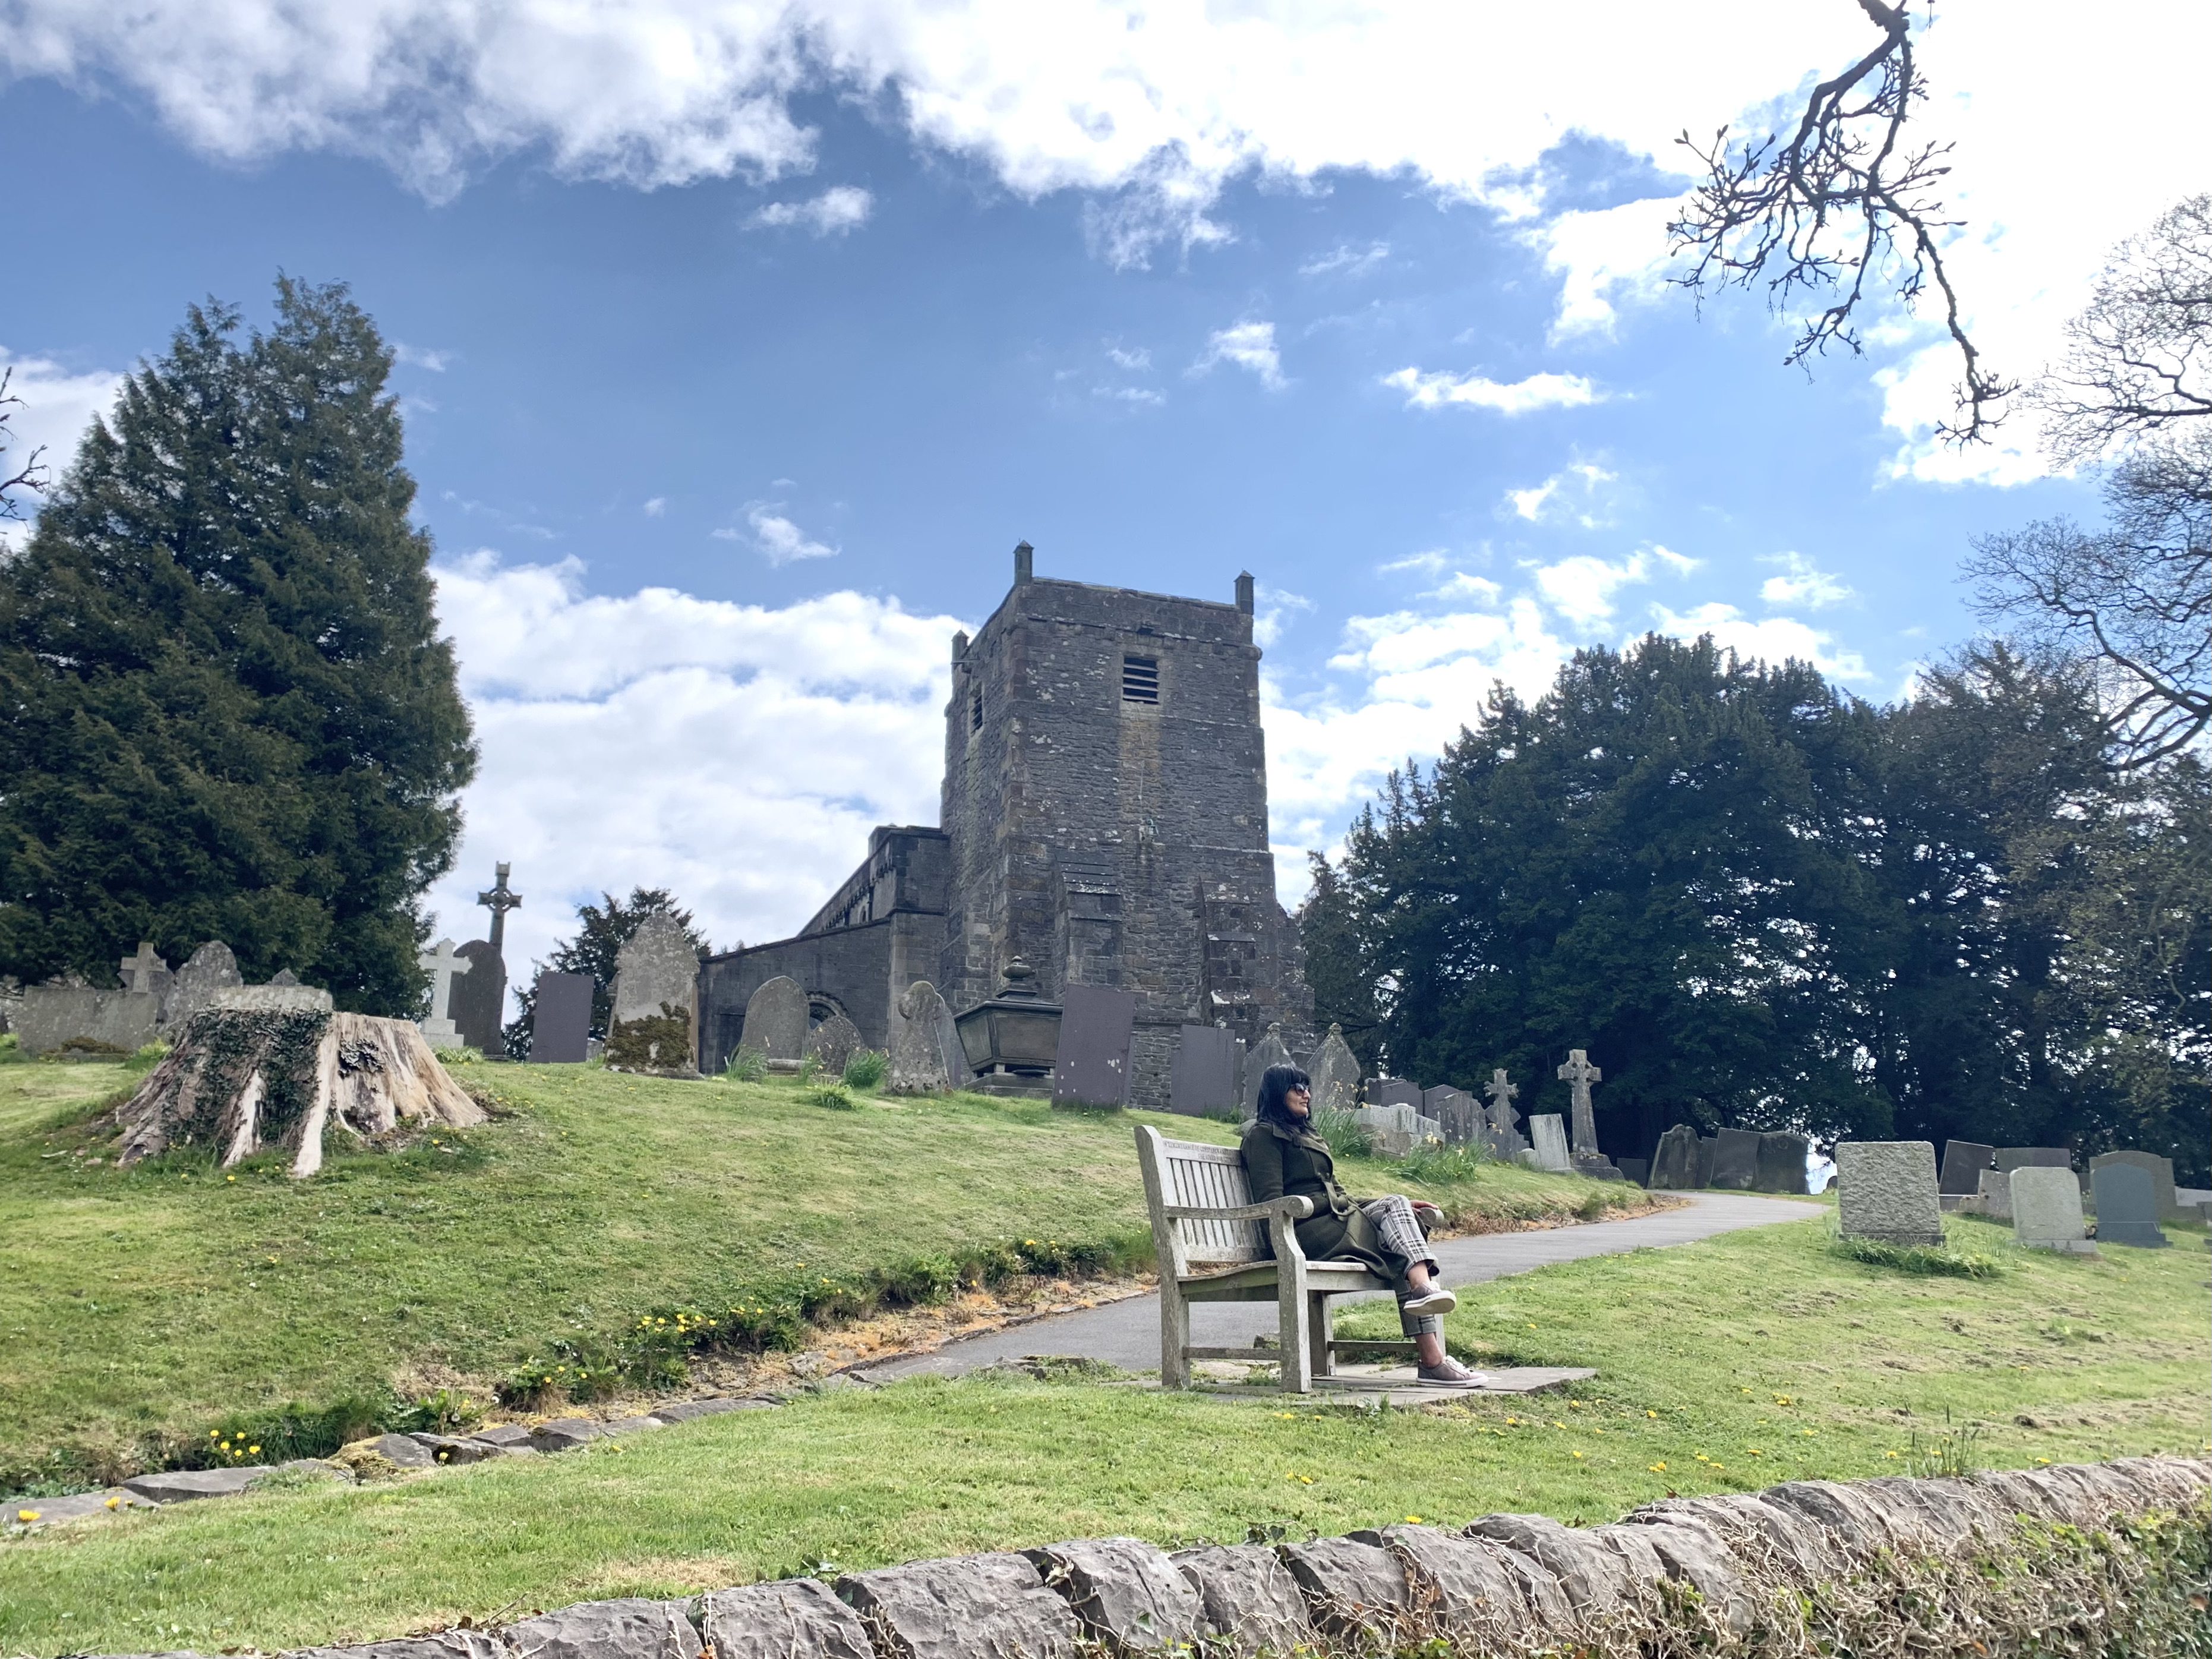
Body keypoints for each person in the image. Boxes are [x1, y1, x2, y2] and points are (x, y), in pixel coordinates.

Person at [1240, 1063, 1485, 1386]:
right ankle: (1431, 1348)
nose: (1306, 1094)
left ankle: (1431, 1349)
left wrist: (1394, 1207)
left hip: (1332, 1224)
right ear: (1276, 1093)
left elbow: (1340, 1194)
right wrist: (1338, 1205)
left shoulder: (1308, 1135)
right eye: (1297, 1088)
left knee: (1399, 1223)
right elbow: (1271, 1203)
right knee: (1396, 1238)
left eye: (1307, 1087)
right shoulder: (1264, 1137)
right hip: (1301, 1234)